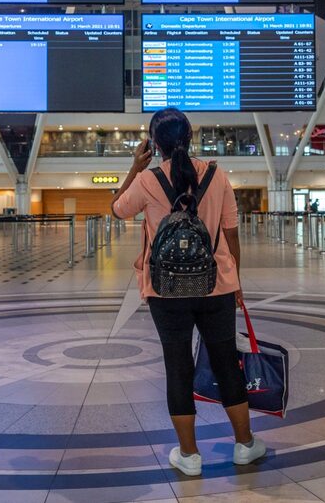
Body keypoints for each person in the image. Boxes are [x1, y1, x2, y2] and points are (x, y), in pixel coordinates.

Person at [111, 108, 264, 476]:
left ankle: (189, 454)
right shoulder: (216, 174)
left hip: (166, 290)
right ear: (191, 137)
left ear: (154, 144)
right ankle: (245, 444)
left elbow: (117, 210)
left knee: (177, 366)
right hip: (218, 285)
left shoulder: (148, 181)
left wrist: (135, 166)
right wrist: (236, 283)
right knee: (227, 363)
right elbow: (231, 234)